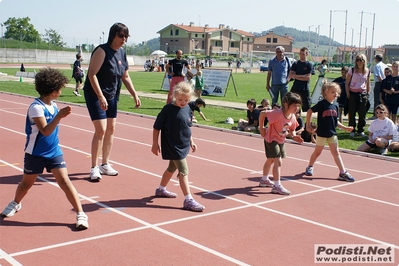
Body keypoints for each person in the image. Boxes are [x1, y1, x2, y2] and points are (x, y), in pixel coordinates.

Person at [1, 68, 89, 229]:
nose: (61, 91)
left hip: (54, 151)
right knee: (26, 184)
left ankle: (80, 213)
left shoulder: (53, 105)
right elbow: (46, 131)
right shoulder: (36, 107)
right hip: (35, 153)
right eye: (60, 88)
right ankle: (15, 203)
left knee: (64, 181)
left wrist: (58, 115)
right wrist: (59, 116)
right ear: (54, 91)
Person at [83, 22, 141, 181]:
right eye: (121, 35)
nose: (124, 39)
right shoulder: (102, 51)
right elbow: (92, 75)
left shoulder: (122, 53)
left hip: (112, 95)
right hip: (95, 94)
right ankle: (94, 167)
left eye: (126, 36)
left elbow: (126, 76)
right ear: (113, 35)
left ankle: (105, 164)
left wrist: (134, 94)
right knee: (100, 129)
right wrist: (100, 96)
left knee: (111, 129)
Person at [151, 81, 205, 212]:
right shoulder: (168, 110)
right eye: (180, 99)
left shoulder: (188, 108)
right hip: (172, 145)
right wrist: (154, 143)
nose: (183, 102)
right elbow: (156, 127)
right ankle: (188, 200)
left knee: (171, 168)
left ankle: (161, 189)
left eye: (186, 100)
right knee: (183, 171)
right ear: (175, 95)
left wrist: (191, 141)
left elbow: (187, 126)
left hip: (183, 144)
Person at [304, 82, 355, 182]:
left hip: (332, 133)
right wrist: (308, 125)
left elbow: (335, 121)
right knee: (318, 152)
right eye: (333, 92)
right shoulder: (322, 104)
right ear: (326, 93)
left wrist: (345, 128)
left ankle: (342, 172)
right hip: (322, 133)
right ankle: (310, 166)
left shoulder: (335, 105)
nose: (335, 94)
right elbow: (310, 111)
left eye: (337, 92)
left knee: (336, 152)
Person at [258, 92, 304, 195]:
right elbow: (262, 114)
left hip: (281, 140)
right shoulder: (277, 113)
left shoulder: (292, 116)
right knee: (278, 161)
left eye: (298, 105)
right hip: (271, 139)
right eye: (294, 105)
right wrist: (261, 128)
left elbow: (292, 129)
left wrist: (294, 136)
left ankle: (264, 179)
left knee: (270, 160)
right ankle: (277, 186)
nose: (297, 108)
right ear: (286, 105)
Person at [345, 54, 370, 138]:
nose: (359, 62)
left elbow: (367, 83)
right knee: (351, 112)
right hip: (352, 93)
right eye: (357, 60)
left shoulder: (367, 71)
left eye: (361, 60)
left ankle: (361, 130)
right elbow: (347, 83)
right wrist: (348, 93)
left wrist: (367, 92)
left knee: (362, 113)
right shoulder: (352, 70)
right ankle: (352, 129)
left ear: (364, 61)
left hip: (362, 93)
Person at [289, 47, 313, 112]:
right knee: (292, 105)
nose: (301, 56)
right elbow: (291, 75)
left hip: (304, 88)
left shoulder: (309, 64)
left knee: (307, 107)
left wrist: (296, 76)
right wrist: (302, 76)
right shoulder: (295, 64)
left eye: (303, 54)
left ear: (306, 54)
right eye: (300, 54)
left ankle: (307, 122)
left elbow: (308, 78)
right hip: (296, 87)